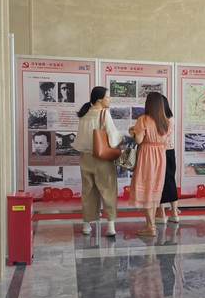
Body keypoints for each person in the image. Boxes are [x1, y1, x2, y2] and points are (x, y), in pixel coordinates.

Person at [72, 87, 121, 237]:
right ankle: (110, 226)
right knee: (108, 191)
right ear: (99, 99)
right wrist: (122, 137)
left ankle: (87, 225)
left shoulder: (84, 113)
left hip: (85, 157)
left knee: (88, 192)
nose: (110, 100)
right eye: (108, 97)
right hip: (102, 159)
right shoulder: (104, 113)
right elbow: (112, 137)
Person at [128, 92, 171, 236]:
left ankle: (150, 226)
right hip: (160, 156)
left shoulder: (143, 119)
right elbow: (165, 143)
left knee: (146, 190)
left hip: (147, 155)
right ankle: (151, 224)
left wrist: (132, 132)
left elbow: (139, 140)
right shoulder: (166, 122)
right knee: (154, 190)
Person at [155, 95, 181, 224]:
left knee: (159, 182)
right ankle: (174, 212)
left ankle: (161, 213)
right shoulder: (171, 118)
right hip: (170, 152)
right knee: (170, 180)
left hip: (159, 152)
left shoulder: (157, 119)